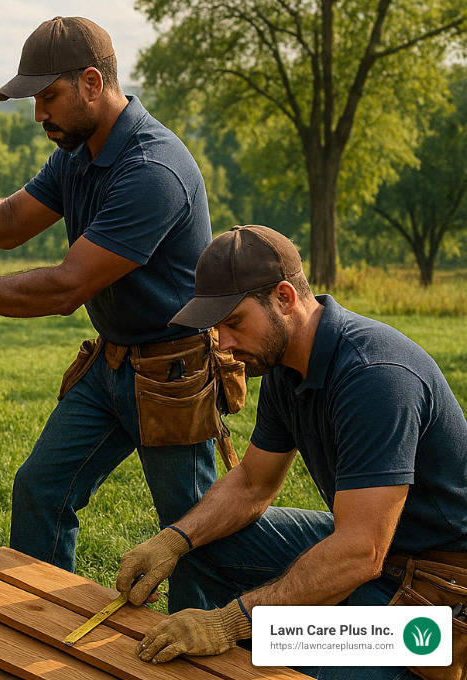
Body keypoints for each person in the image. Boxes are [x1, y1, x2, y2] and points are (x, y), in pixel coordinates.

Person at [0, 16, 232, 610]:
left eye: (47, 96)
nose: (38, 114)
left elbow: (62, 290)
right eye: (35, 99)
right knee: (41, 490)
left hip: (171, 376)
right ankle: (39, 627)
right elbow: (5, 225)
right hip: (110, 366)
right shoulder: (79, 152)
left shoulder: (151, 170)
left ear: (92, 83)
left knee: (192, 530)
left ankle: (203, 643)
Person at [116, 226, 467, 680]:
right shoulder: (284, 364)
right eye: (216, 327)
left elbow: (361, 552)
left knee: (304, 662)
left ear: (284, 297)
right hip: (373, 547)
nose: (223, 343)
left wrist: (229, 623)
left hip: (439, 591)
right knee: (203, 542)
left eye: (234, 322)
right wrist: (174, 539)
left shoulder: (375, 377)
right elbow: (251, 483)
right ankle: (179, 658)